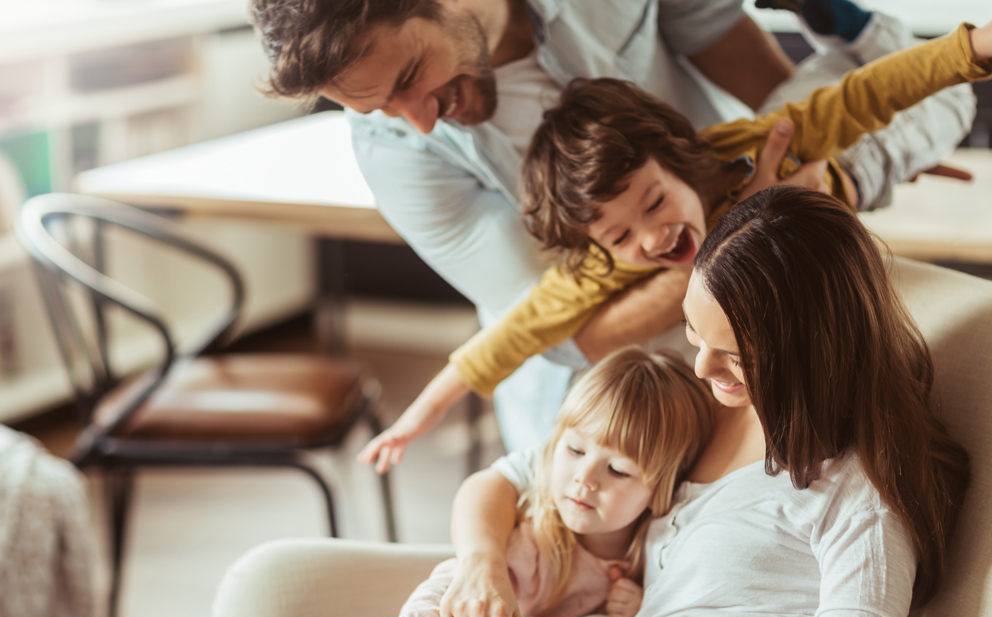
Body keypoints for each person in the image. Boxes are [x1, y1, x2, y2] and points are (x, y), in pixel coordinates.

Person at [164, 184, 970, 617]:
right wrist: (483, 572)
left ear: (813, 354)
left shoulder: (858, 496)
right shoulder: (700, 420)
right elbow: (512, 478)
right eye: (695, 337)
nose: (702, 370)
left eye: (735, 357)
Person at [248, 0, 971, 454]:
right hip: (623, 385)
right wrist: (750, 220)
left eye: (408, 78)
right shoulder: (401, 157)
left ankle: (853, 158)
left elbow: (771, 88)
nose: (418, 119)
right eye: (378, 109)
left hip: (742, 189)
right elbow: (569, 333)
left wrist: (815, 148)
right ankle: (848, 180)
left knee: (912, 91)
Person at [370, 347, 714, 617]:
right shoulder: (534, 542)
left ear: (661, 492)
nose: (585, 478)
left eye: (618, 470)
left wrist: (638, 612)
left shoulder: (656, 553)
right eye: (575, 450)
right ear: (551, 449)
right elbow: (459, 581)